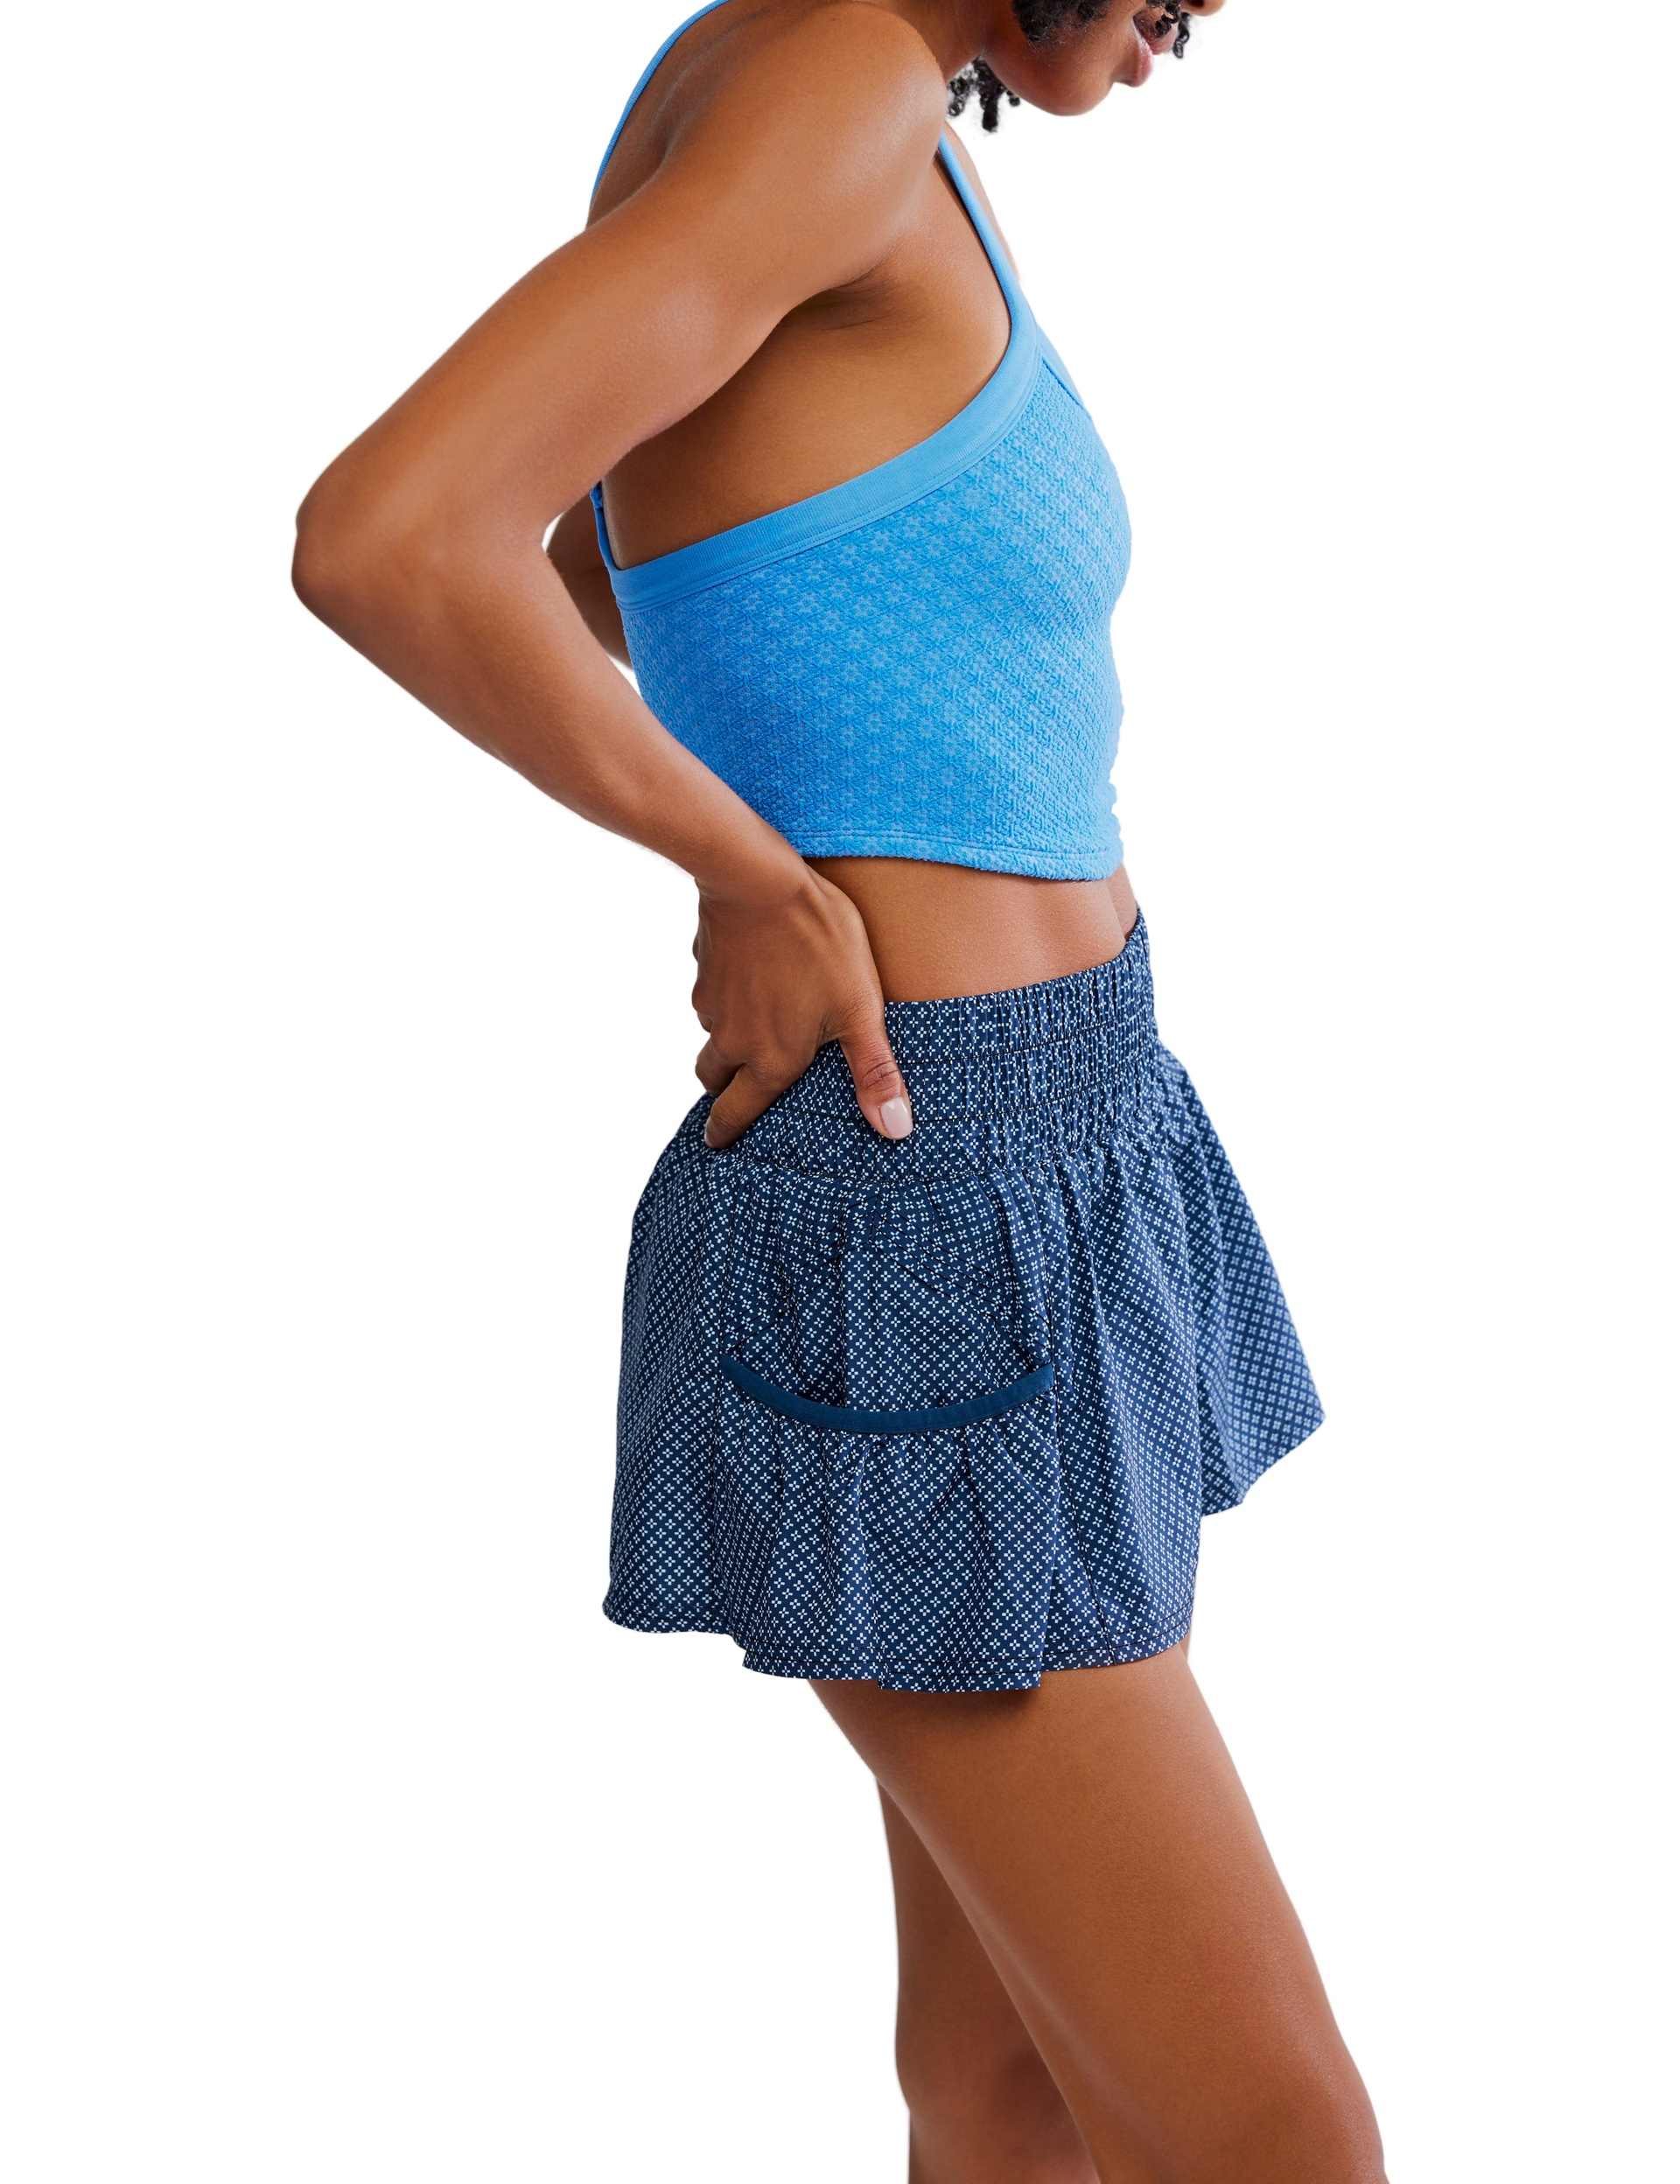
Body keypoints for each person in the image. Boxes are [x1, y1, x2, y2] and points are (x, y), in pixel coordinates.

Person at [293, 4, 1386, 2176]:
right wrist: (751, 876)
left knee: (1006, 2088)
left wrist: (764, 809)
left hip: (1071, 1152)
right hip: (932, 1202)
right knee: (1280, 2141)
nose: (1188, 36)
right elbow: (391, 535)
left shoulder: (846, 101)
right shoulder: (836, 88)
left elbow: (631, 551)